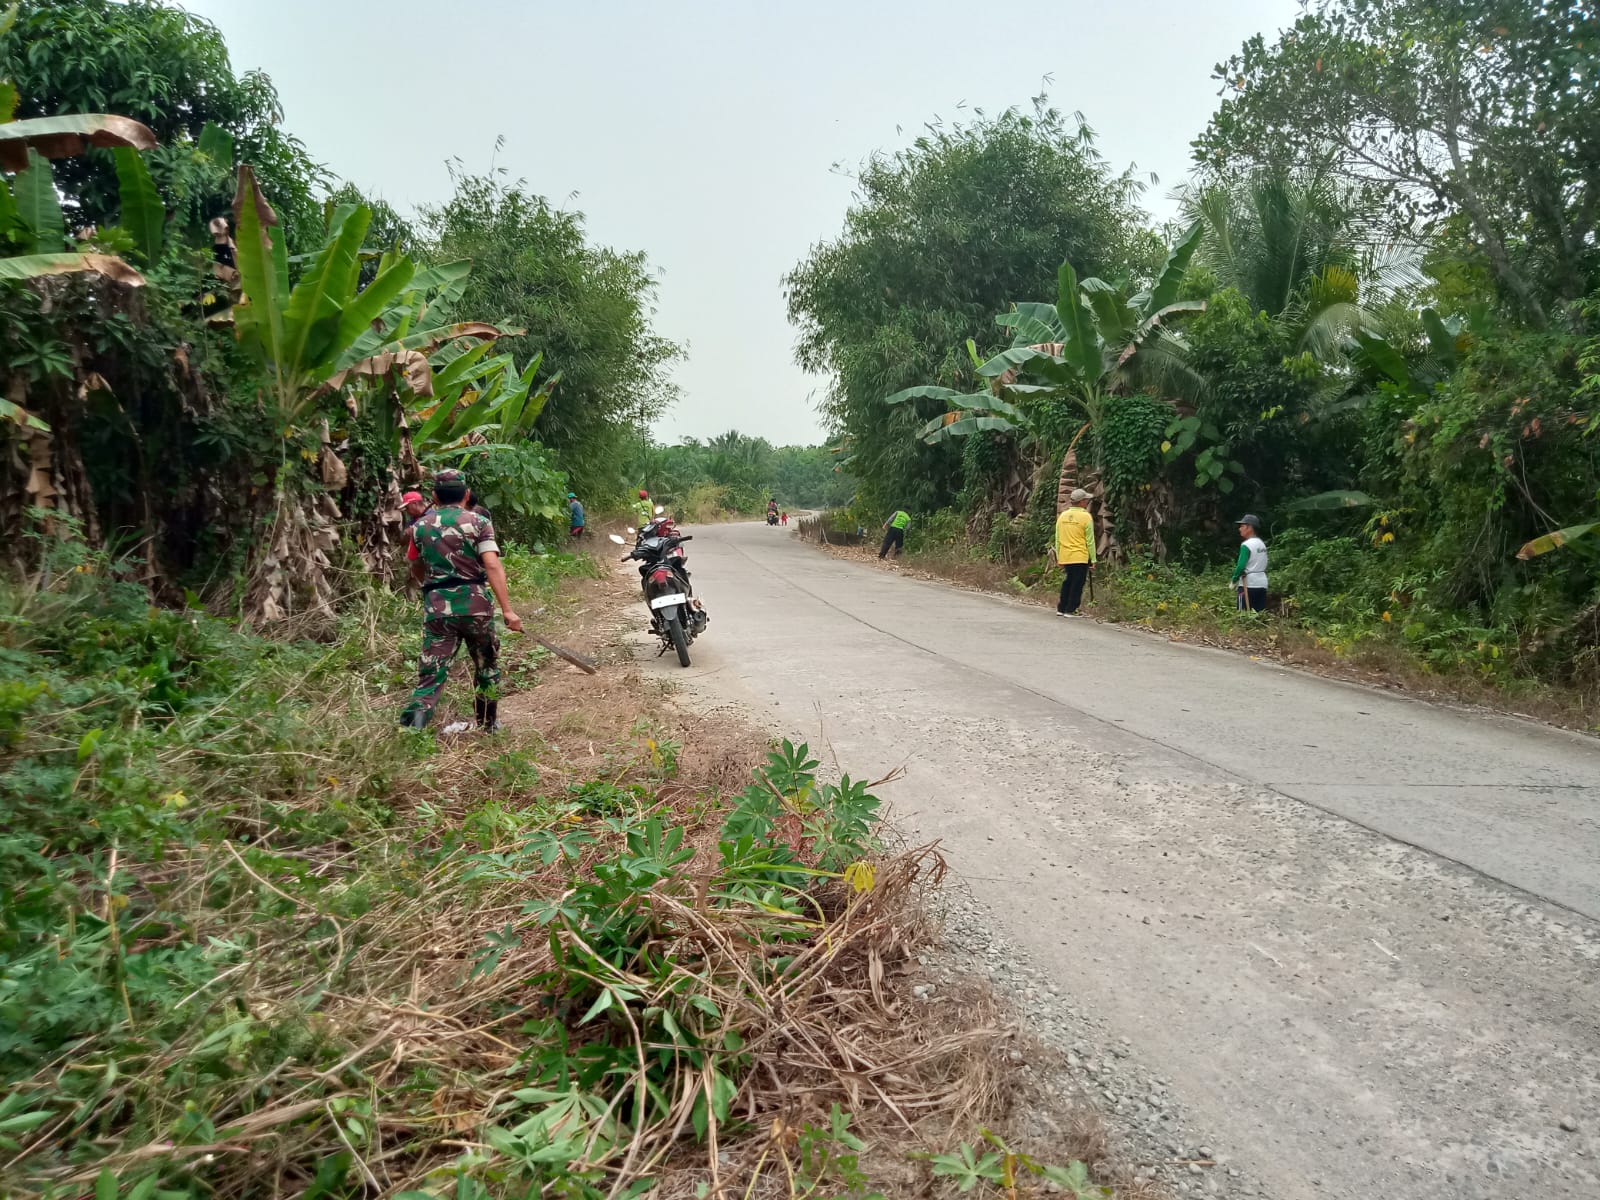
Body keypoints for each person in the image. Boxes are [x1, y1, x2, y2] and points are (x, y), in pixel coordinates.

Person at [399, 468, 523, 732]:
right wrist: (508, 610)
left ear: (434, 496)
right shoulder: (479, 522)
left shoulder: (419, 527)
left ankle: (413, 728)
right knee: (486, 666)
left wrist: (432, 588)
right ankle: (488, 725)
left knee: (432, 671)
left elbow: (416, 567)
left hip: (438, 610)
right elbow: (492, 564)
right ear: (467, 494)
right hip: (476, 606)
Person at [1054, 488, 1097, 616]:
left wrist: (1059, 557)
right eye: (1086, 500)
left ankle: (1061, 608)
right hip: (1080, 556)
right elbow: (1090, 540)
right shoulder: (1086, 517)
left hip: (1066, 555)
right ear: (1082, 501)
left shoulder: (1062, 516)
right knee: (1077, 583)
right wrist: (1093, 559)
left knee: (1068, 581)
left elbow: (1058, 538)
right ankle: (1070, 609)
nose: (1087, 502)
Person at [1232, 514, 1269, 612]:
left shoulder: (1246, 545)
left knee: (1242, 614)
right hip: (1262, 583)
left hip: (1248, 584)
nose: (1240, 529)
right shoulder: (1261, 544)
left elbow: (1241, 566)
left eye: (1242, 526)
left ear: (1249, 527)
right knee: (1259, 613)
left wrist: (1234, 580)